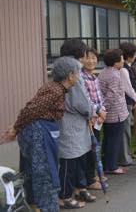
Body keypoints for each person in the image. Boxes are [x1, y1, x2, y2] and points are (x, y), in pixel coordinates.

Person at [0, 57, 80, 212]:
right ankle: (47, 208)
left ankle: (35, 205)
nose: (79, 76)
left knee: (33, 172)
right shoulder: (55, 90)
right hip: (39, 132)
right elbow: (31, 109)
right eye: (78, 73)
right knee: (45, 174)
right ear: (70, 75)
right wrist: (15, 128)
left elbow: (32, 108)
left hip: (38, 130)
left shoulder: (55, 88)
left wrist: (17, 127)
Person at [58, 39, 97, 208]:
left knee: (80, 156)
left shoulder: (67, 67)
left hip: (77, 122)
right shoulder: (72, 70)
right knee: (70, 159)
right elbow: (81, 101)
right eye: (83, 54)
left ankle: (79, 187)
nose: (85, 58)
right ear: (78, 54)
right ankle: (64, 196)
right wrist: (91, 111)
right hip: (71, 122)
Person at [79, 48, 108, 190]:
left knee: (95, 148)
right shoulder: (81, 78)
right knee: (90, 149)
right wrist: (98, 112)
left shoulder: (94, 77)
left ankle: (93, 174)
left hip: (98, 119)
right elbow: (85, 100)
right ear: (82, 60)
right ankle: (90, 179)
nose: (91, 61)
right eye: (88, 58)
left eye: (94, 58)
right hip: (89, 119)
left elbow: (100, 97)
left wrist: (103, 111)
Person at [98, 49, 129, 174]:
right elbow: (111, 96)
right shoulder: (115, 75)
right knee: (114, 141)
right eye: (121, 59)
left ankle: (106, 164)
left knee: (107, 139)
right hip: (115, 113)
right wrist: (104, 109)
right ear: (116, 62)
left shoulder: (104, 72)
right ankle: (112, 166)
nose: (123, 61)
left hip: (107, 113)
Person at [119, 42, 136, 167]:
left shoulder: (127, 67)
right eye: (134, 53)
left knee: (127, 130)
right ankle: (125, 158)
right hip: (125, 102)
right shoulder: (124, 69)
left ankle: (126, 155)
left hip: (127, 102)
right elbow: (128, 88)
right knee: (125, 131)